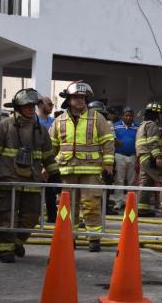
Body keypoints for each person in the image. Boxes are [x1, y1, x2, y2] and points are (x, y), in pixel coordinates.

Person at [0, 88, 61, 263]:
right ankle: (5, 250)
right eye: (26, 106)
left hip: (32, 180)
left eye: (33, 105)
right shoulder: (5, 125)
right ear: (18, 107)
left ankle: (17, 241)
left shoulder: (40, 129)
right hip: (8, 179)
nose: (30, 109)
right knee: (6, 216)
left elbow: (48, 155)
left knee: (32, 215)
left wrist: (55, 174)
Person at [50, 81, 115, 252]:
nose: (80, 100)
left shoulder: (97, 118)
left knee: (91, 204)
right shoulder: (59, 120)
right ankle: (68, 238)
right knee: (67, 207)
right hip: (66, 170)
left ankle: (94, 239)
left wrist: (108, 164)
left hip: (91, 170)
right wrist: (48, 167)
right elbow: (51, 146)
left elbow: (108, 141)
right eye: (76, 97)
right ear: (69, 99)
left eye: (83, 98)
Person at [88, 100, 117, 215]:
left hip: (100, 160)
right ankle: (101, 208)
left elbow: (110, 143)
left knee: (105, 184)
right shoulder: (106, 124)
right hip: (97, 161)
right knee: (101, 186)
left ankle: (103, 207)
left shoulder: (106, 124)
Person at [112, 107, 139, 212]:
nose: (128, 117)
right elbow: (111, 139)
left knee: (132, 181)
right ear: (122, 116)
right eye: (126, 115)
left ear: (133, 116)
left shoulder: (137, 127)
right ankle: (118, 202)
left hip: (132, 156)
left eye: (130, 115)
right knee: (119, 179)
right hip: (119, 155)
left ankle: (130, 203)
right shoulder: (115, 126)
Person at [37, 96, 58, 223]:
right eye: (49, 104)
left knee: (50, 192)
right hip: (37, 161)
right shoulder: (33, 121)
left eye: (52, 104)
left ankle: (52, 218)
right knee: (35, 192)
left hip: (51, 162)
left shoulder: (55, 122)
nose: (51, 106)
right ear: (40, 104)